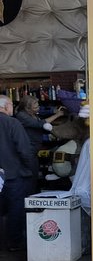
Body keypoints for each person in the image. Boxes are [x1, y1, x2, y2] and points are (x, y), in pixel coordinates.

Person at [0, 95, 36, 251]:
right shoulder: (13, 123)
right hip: (13, 175)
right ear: (6, 106)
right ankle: (13, 243)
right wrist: (29, 169)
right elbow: (24, 150)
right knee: (15, 209)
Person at [15, 94, 65, 192]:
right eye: (35, 106)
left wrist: (54, 111)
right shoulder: (21, 115)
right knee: (31, 175)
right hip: (27, 150)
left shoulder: (33, 114)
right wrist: (57, 115)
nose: (38, 107)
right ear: (27, 108)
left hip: (34, 149)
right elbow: (39, 124)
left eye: (38, 105)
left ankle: (32, 194)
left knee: (34, 174)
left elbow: (42, 113)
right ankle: (28, 195)